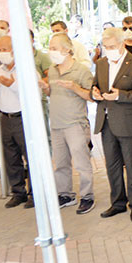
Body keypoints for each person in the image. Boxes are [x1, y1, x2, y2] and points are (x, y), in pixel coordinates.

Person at [92, 27, 132, 222]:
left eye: (112, 46)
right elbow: (95, 85)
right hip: (106, 121)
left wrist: (121, 95)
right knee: (112, 165)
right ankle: (118, 202)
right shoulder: (101, 64)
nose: (108, 50)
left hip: (128, 122)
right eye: (105, 46)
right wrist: (94, 92)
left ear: (122, 44)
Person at [41, 33, 96, 214]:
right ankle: (65, 194)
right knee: (61, 164)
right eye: (50, 48)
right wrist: (46, 88)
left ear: (67, 50)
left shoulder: (81, 70)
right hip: (56, 124)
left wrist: (74, 87)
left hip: (75, 124)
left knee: (82, 164)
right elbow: (53, 94)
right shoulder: (53, 70)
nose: (51, 51)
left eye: (54, 48)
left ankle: (87, 196)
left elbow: (91, 96)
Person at [0, 36, 33, 209]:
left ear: (14, 50)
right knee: (11, 158)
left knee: (30, 157)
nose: (2, 53)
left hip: (22, 118)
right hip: (5, 117)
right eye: (0, 49)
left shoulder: (25, 68)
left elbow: (31, 95)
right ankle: (18, 193)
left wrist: (12, 84)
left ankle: (34, 193)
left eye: (5, 49)